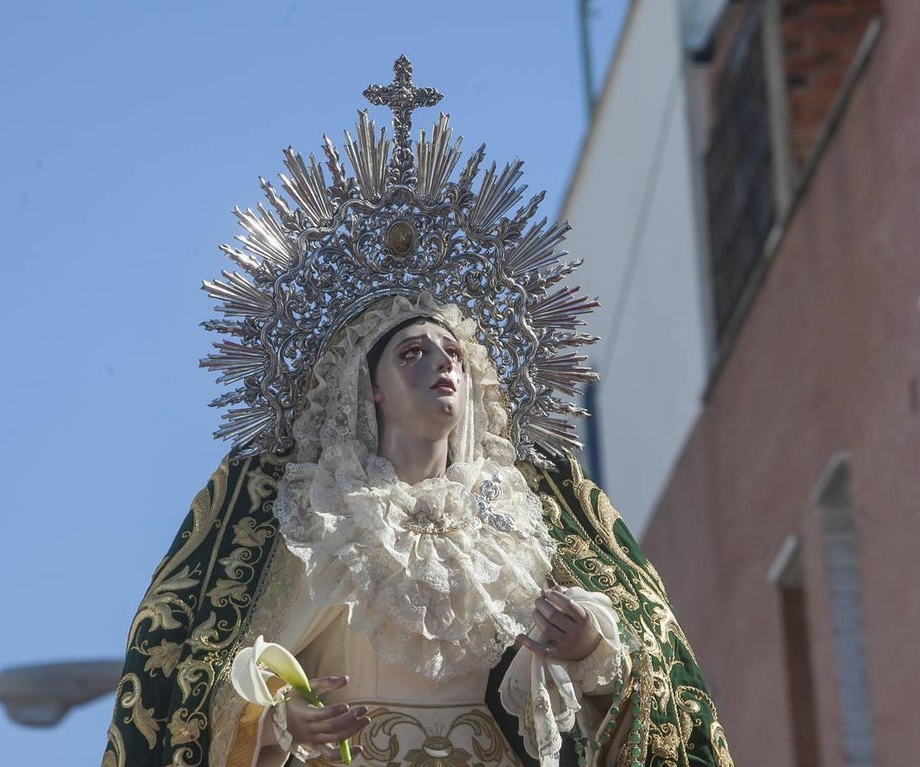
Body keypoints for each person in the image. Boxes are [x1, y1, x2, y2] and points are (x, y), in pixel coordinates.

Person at [102, 58, 735, 767]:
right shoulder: (311, 517)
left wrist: (588, 650)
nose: (442, 365)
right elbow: (219, 685)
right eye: (412, 353)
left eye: (454, 354)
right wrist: (281, 723)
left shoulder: (533, 519)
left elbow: (633, 700)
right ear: (365, 388)